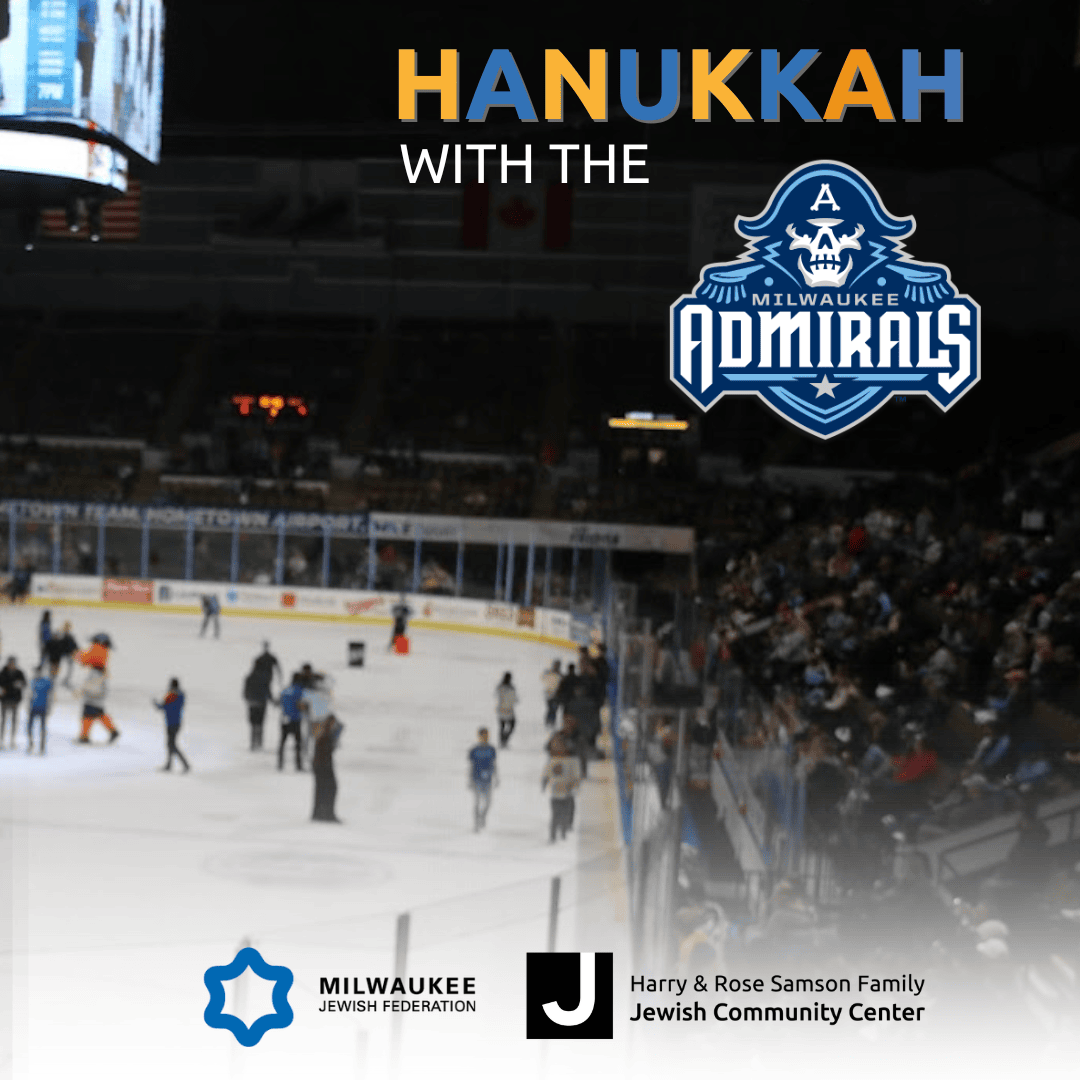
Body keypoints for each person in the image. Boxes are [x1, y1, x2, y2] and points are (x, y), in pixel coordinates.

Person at [542, 734, 582, 842]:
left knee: (565, 813)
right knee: (555, 814)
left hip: (567, 793)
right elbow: (547, 773)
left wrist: (574, 787)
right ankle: (553, 835)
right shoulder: (553, 761)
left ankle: (564, 830)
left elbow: (576, 776)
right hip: (556, 793)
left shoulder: (572, 761)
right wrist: (544, 782)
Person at [311, 713, 344, 822]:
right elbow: (328, 748)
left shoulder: (323, 732)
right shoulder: (326, 734)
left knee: (321, 789)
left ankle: (319, 813)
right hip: (323, 765)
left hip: (320, 764)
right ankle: (327, 814)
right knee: (331, 788)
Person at [77, 661, 119, 744]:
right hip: (97, 701)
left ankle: (84, 736)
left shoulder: (95, 675)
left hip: (91, 700)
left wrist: (84, 691)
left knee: (87, 717)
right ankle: (113, 731)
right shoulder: (102, 675)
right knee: (100, 715)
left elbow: (91, 687)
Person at [154, 678, 189, 772]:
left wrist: (156, 704)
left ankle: (185, 764)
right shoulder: (180, 695)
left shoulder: (171, 695)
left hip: (171, 723)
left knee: (171, 744)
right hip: (176, 722)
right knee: (170, 744)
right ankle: (169, 764)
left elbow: (163, 707)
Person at [243, 653, 276, 751]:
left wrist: (247, 699)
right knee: (260, 723)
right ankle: (259, 742)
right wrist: (272, 701)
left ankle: (253, 742)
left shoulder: (249, 676)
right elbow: (267, 690)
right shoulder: (264, 677)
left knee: (253, 724)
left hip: (252, 702)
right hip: (261, 703)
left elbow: (245, 690)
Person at [467, 728, 498, 832]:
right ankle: (476, 824)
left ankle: (483, 816)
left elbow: (494, 764)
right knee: (477, 802)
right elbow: (471, 766)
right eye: (483, 736)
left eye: (487, 735)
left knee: (489, 802)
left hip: (488, 779)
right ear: (479, 736)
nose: (485, 737)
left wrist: (496, 777)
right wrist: (469, 780)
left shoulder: (491, 749)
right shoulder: (474, 750)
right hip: (476, 779)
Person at [277, 674, 306, 772]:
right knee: (298, 742)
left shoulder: (285, 690)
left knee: (282, 741)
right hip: (295, 719)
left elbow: (279, 702)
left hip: (284, 718)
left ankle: (280, 763)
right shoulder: (300, 691)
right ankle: (298, 765)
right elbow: (301, 705)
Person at [0, 656, 27, 748]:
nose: (12, 665)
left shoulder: (19, 673)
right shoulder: (3, 673)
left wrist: (20, 684)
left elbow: (24, 683)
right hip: (4, 700)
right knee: (3, 721)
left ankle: (12, 739)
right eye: (10, 663)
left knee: (13, 721)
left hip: (15, 700)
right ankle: (2, 740)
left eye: (13, 663)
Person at [26, 669, 53, 754]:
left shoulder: (46, 682)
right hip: (33, 706)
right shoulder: (33, 681)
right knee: (29, 727)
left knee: (42, 728)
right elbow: (30, 694)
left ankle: (42, 747)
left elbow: (51, 695)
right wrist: (28, 705)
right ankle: (31, 744)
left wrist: (50, 706)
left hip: (43, 707)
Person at [495, 671, 518, 749]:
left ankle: (502, 741)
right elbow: (514, 699)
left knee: (502, 726)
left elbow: (497, 696)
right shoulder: (511, 688)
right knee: (511, 725)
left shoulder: (500, 687)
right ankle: (504, 740)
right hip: (508, 710)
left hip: (501, 709)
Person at [542, 660, 562, 728]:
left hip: (556, 695)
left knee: (553, 709)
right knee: (551, 708)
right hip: (549, 695)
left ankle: (551, 721)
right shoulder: (550, 673)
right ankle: (549, 721)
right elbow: (543, 678)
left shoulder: (560, 675)